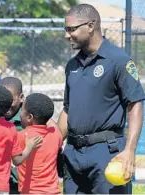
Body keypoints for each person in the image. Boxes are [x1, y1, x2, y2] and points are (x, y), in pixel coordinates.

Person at [57, 4, 145, 194]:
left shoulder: (118, 60)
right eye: (66, 29)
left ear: (90, 26)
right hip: (73, 154)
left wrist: (130, 151)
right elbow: (67, 109)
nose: (67, 35)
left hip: (106, 153)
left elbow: (135, 104)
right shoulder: (71, 65)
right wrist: (54, 142)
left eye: (71, 29)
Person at [17, 93, 62, 194]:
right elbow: (51, 123)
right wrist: (43, 113)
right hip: (53, 192)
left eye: (22, 110)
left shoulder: (21, 136)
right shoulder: (55, 134)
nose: (20, 113)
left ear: (29, 117)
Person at [1, 77, 24, 194]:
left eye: (10, 99)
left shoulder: (29, 121)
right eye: (2, 99)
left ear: (21, 98)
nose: (6, 104)